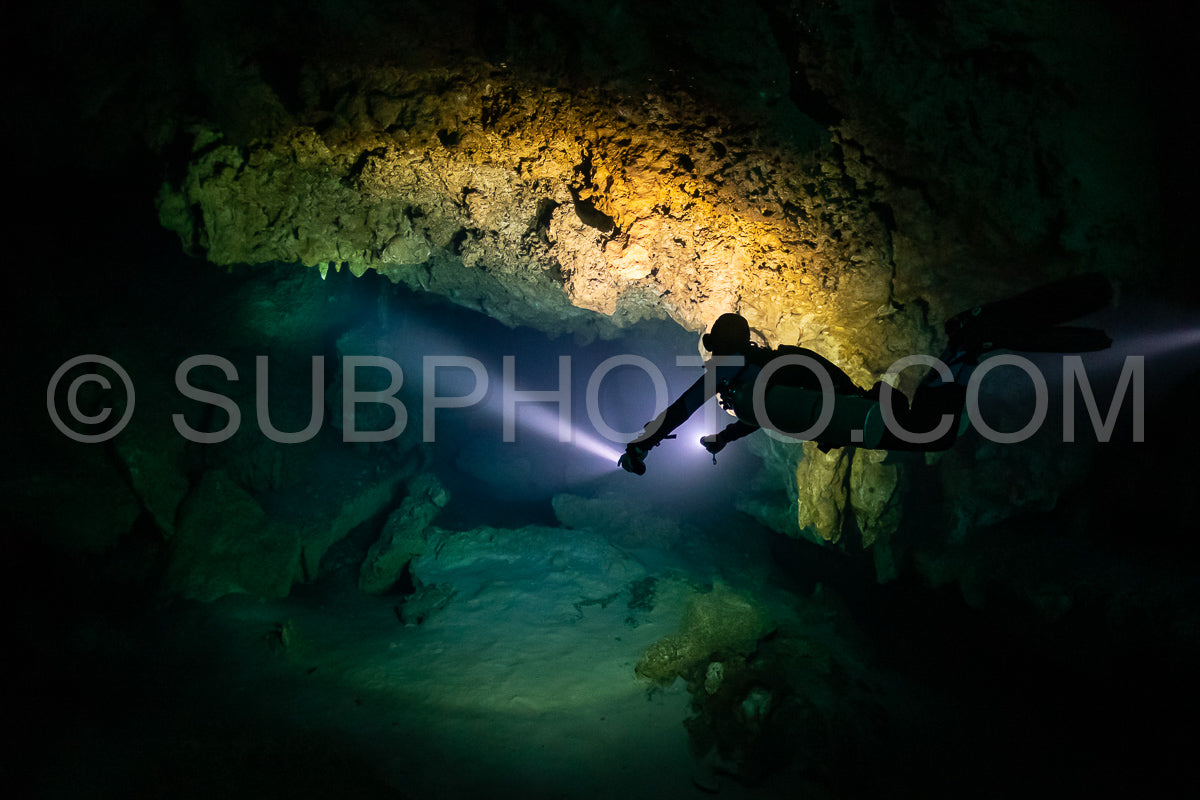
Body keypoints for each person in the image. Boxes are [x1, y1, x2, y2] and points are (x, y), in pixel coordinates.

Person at [619, 273, 1113, 475]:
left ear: (724, 349)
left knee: (936, 433)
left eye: (715, 351)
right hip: (848, 415)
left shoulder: (732, 370)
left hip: (849, 414)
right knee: (935, 430)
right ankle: (970, 345)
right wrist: (727, 436)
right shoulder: (745, 382)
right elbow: (769, 409)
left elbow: (678, 410)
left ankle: (971, 340)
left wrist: (640, 446)